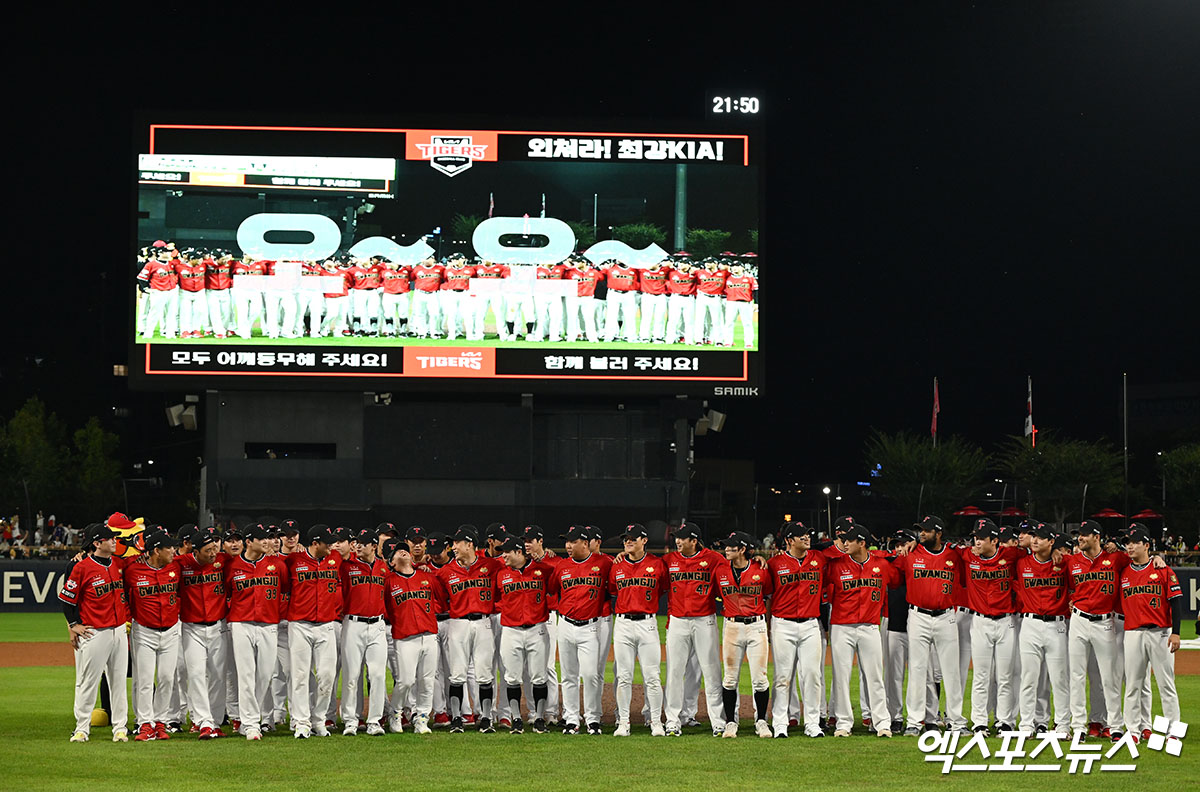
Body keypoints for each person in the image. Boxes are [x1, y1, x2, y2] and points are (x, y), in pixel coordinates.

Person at [892, 515, 968, 736]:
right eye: (920, 530)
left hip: (946, 616)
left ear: (939, 533)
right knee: (916, 669)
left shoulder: (954, 555)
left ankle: (956, 721)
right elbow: (892, 571)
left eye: (926, 530)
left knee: (951, 671)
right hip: (918, 616)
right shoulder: (910, 553)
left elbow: (968, 564)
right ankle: (915, 722)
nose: (921, 534)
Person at [661, 522, 736, 737]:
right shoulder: (669, 560)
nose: (677, 541)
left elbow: (735, 565)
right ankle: (673, 721)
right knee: (674, 672)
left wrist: (757, 559)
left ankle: (718, 722)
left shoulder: (713, 559)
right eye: (677, 537)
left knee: (712, 671)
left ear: (694, 540)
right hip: (677, 621)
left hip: (705, 620)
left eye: (682, 538)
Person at [60, 522, 130, 743]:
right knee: (87, 681)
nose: (114, 541)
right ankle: (81, 728)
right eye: (110, 538)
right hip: (95, 631)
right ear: (97, 543)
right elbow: (66, 600)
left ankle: (120, 728)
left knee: (118, 681)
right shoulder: (80, 567)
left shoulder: (115, 564)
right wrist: (73, 624)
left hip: (118, 630)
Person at [825, 524, 897, 738]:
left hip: (869, 626)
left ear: (862, 543)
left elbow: (901, 572)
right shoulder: (836, 565)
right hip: (841, 627)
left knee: (875, 676)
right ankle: (843, 723)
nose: (844, 543)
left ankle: (881, 722)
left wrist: (892, 552)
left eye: (849, 540)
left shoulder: (882, 565)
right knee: (841, 676)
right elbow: (817, 559)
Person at [1120, 523, 1183, 743]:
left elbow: (1176, 602)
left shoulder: (1162, 569)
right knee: (1133, 685)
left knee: (1166, 684)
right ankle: (1133, 730)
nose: (1130, 546)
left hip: (1160, 633)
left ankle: (1173, 731)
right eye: (1127, 542)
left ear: (1146, 545)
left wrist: (1176, 633)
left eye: (1135, 542)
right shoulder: (1123, 572)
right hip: (1133, 633)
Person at [224, 523, 285, 740]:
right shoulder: (232, 566)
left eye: (267, 538)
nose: (267, 542)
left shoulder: (276, 564)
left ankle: (250, 716)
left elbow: (285, 589)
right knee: (246, 674)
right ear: (249, 542)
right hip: (241, 623)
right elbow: (226, 591)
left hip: (269, 624)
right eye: (261, 539)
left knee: (265, 675)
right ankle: (250, 723)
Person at [435, 525, 498, 733]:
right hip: (457, 624)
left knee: (484, 673)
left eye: (456, 543)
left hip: (483, 622)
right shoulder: (445, 572)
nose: (453, 547)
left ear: (469, 544)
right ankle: (457, 719)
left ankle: (487, 717)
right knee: (457, 674)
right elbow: (437, 595)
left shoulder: (491, 566)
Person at [124, 529, 183, 742]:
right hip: (144, 631)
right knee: (145, 680)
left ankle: (160, 721)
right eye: (169, 547)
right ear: (156, 550)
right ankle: (145, 723)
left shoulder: (176, 566)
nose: (173, 551)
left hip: (170, 629)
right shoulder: (132, 569)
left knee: (167, 678)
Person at [609, 523, 667, 736]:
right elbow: (613, 590)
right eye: (626, 538)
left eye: (633, 538)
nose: (628, 541)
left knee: (652, 676)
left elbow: (662, 589)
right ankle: (623, 722)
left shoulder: (657, 564)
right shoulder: (617, 566)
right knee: (623, 676)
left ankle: (655, 721)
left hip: (647, 624)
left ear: (644, 540)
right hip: (623, 624)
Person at [494, 534, 555, 733]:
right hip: (510, 630)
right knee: (511, 678)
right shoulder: (501, 573)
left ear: (519, 552)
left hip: (537, 629)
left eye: (507, 553)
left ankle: (539, 718)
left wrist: (545, 557)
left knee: (539, 677)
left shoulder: (543, 569)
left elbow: (557, 581)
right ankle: (516, 718)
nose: (504, 557)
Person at [1014, 522, 1070, 735]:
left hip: (1056, 625)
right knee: (1028, 678)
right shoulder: (1021, 562)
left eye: (1040, 537)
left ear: (1052, 541)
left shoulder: (1064, 562)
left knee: (1059, 679)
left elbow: (1088, 561)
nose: (1035, 540)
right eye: (1033, 536)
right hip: (1029, 624)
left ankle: (1063, 724)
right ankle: (1027, 724)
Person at [550, 525, 607, 735]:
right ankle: (571, 718)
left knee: (591, 674)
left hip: (591, 626)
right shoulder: (562, 566)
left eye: (573, 541)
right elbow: (552, 590)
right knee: (568, 675)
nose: (568, 545)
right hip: (565, 624)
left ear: (585, 543)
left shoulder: (603, 564)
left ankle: (593, 719)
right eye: (566, 541)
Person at [384, 539, 443, 734]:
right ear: (391, 562)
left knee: (427, 681)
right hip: (404, 637)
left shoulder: (428, 577)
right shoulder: (389, 581)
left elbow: (441, 601)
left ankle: (422, 719)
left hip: (429, 635)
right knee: (406, 681)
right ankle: (395, 714)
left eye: (404, 550)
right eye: (397, 552)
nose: (403, 552)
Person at [718, 531, 773, 739]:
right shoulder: (720, 569)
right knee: (730, 678)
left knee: (760, 679)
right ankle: (731, 722)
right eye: (726, 546)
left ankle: (761, 721)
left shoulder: (761, 569)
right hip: (731, 626)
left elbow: (768, 595)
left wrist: (767, 626)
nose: (727, 549)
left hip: (756, 625)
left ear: (742, 549)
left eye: (732, 547)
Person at [176, 526, 228, 739]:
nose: (213, 553)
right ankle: (203, 721)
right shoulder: (180, 564)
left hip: (218, 626)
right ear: (194, 551)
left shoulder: (223, 561)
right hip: (192, 628)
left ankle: (214, 722)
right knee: (196, 674)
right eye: (207, 550)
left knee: (217, 676)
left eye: (214, 548)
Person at [339, 528, 388, 736]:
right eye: (357, 542)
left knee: (377, 675)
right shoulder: (347, 566)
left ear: (374, 547)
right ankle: (351, 720)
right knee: (352, 674)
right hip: (352, 624)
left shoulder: (384, 568)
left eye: (364, 543)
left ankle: (374, 721)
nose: (359, 546)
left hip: (377, 625)